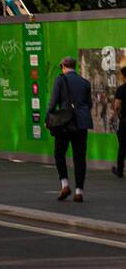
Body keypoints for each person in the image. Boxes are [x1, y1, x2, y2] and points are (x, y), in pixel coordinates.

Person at [48, 56, 93, 202]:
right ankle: (79, 191)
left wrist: (47, 118)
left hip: (65, 124)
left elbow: (53, 102)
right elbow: (89, 104)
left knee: (59, 153)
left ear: (63, 66)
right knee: (79, 157)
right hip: (81, 123)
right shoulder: (85, 83)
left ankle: (65, 184)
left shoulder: (59, 80)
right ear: (75, 67)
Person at [113, 65, 126, 179]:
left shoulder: (121, 89)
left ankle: (120, 170)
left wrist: (115, 116)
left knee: (122, 146)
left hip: (125, 122)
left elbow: (117, 107)